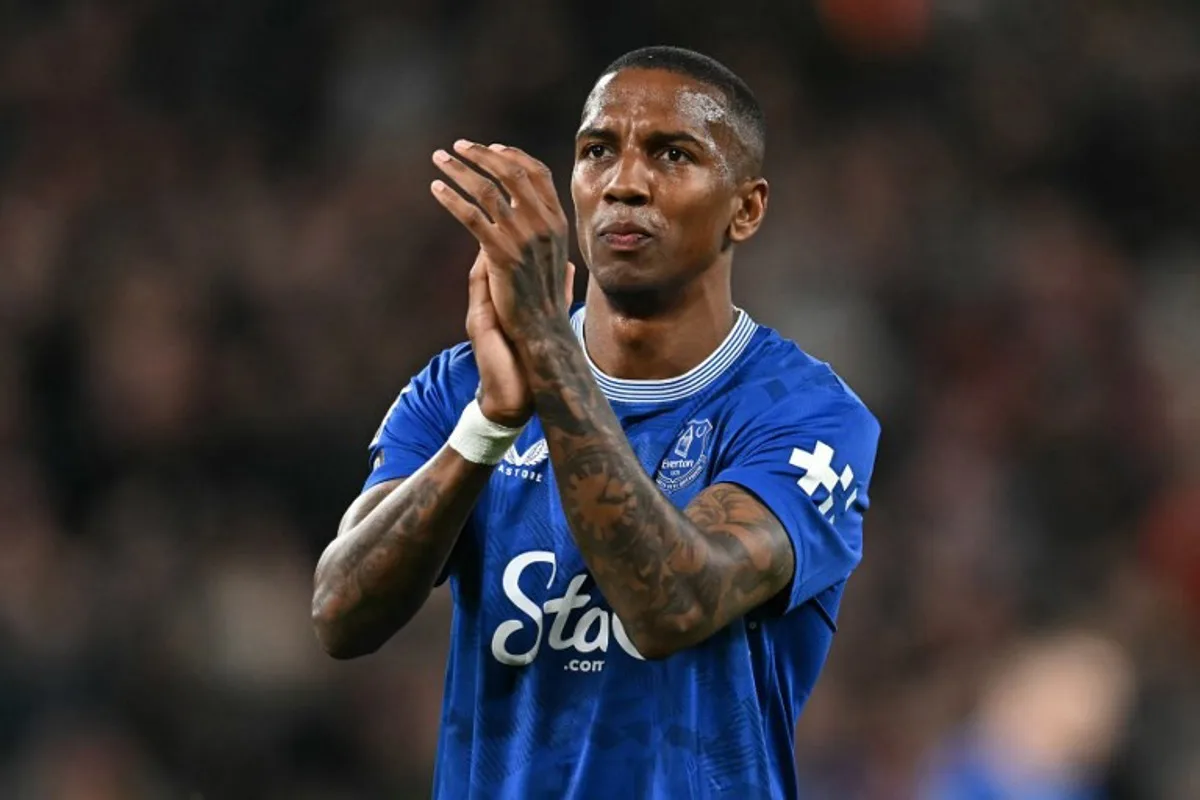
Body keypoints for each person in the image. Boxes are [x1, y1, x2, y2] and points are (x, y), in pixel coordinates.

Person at [312, 45, 881, 799]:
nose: (624, 183)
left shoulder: (806, 414)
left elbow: (670, 605)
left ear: (746, 208)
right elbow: (340, 616)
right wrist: (488, 424)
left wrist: (548, 350)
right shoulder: (463, 389)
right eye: (597, 151)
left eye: (672, 154)